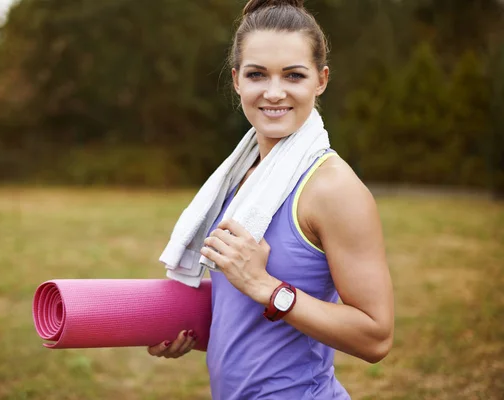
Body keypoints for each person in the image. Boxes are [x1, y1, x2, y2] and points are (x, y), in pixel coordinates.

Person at [148, 0, 394, 398]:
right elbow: (246, 311)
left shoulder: (334, 190)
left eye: (294, 75)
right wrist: (187, 329)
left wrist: (266, 285)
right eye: (257, 74)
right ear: (237, 80)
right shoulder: (241, 180)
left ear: (321, 80)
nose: (274, 92)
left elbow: (376, 338)